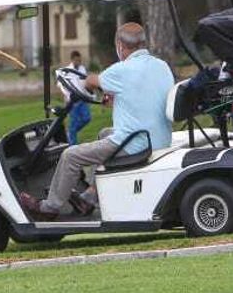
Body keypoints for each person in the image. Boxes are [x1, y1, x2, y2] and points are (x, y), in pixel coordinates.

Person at [20, 23, 174, 217]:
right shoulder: (162, 66)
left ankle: (50, 207)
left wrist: (89, 87)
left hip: (134, 144)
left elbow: (90, 81)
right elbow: (144, 92)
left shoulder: (121, 70)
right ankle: (90, 196)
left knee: (70, 156)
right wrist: (117, 94)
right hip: (159, 139)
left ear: (120, 45)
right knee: (104, 133)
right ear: (143, 43)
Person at [62, 50, 92, 144]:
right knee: (74, 121)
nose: (78, 62)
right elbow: (63, 86)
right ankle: (72, 146)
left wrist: (89, 96)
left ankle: (70, 132)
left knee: (87, 118)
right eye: (76, 60)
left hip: (82, 99)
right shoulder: (67, 71)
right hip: (72, 101)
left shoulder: (82, 69)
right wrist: (67, 98)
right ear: (72, 60)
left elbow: (85, 84)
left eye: (79, 60)